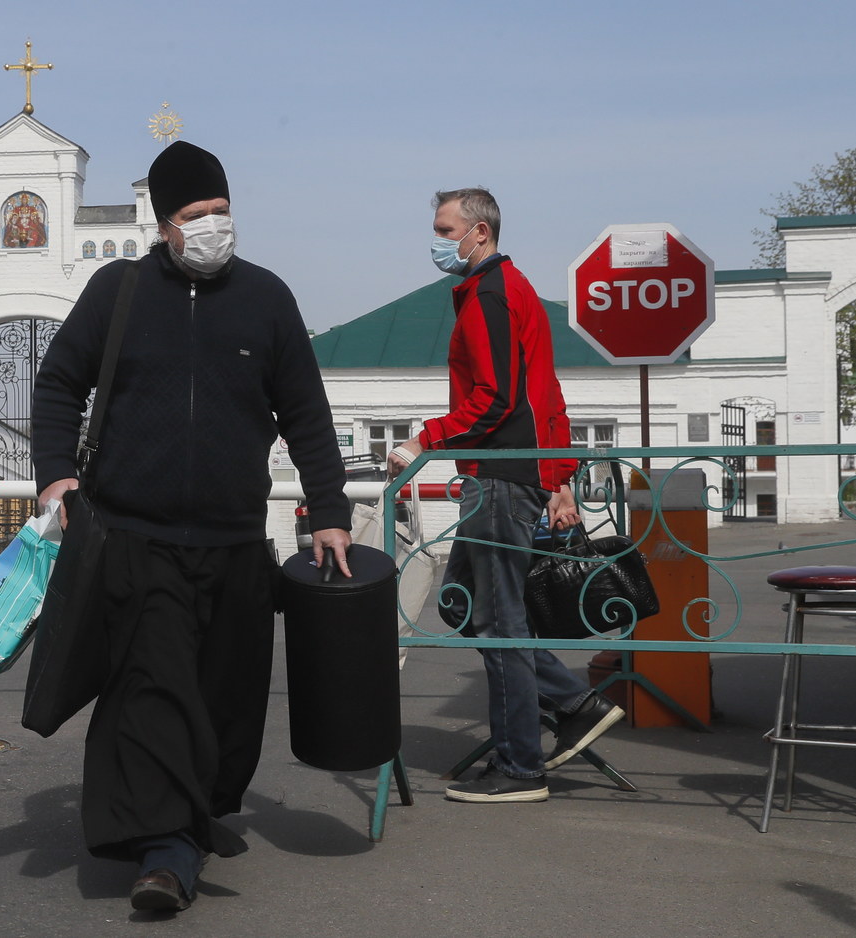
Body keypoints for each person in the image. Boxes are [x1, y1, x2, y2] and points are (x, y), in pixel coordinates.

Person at [31, 141, 352, 912]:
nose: (213, 226)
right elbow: (58, 384)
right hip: (135, 540)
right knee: (154, 692)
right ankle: (167, 854)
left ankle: (193, 814)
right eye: (195, 215)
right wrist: (56, 474)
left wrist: (329, 514)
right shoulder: (119, 291)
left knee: (225, 700)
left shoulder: (267, 299)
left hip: (236, 541)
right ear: (165, 225)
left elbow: (307, 415)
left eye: (221, 211)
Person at [387, 187, 624, 804]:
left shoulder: (491, 294)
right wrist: (559, 473)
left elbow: (496, 398)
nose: (438, 241)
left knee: (499, 624)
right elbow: (544, 395)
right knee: (470, 609)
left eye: (445, 229)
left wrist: (424, 441)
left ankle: (520, 766)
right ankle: (573, 702)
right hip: (512, 474)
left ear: (480, 233)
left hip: (499, 478)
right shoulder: (505, 288)